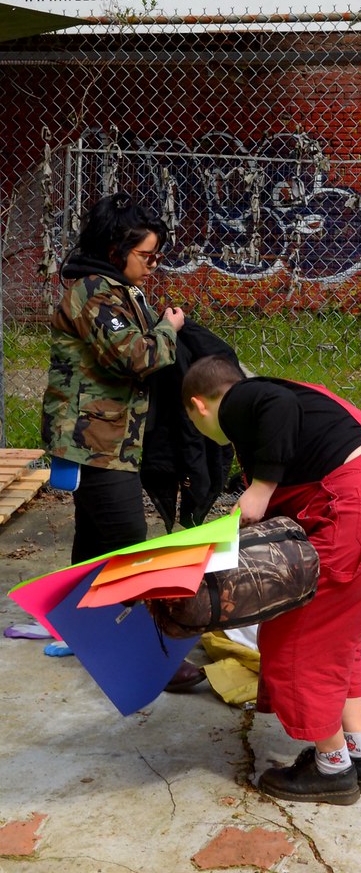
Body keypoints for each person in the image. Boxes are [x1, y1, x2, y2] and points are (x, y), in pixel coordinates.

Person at [182, 356, 361, 805]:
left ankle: (331, 769)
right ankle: (359, 757)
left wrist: (260, 488)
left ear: (198, 406)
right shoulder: (310, 404)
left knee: (296, 638)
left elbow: (274, 404)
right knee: (337, 637)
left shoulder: (242, 398)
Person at [41, 191, 202, 690]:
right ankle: (153, 655)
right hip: (94, 442)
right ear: (117, 250)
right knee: (131, 548)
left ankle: (80, 630)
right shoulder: (94, 292)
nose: (152, 267)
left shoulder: (115, 288)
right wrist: (169, 328)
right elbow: (136, 357)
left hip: (108, 439)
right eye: (146, 256)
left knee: (93, 543)